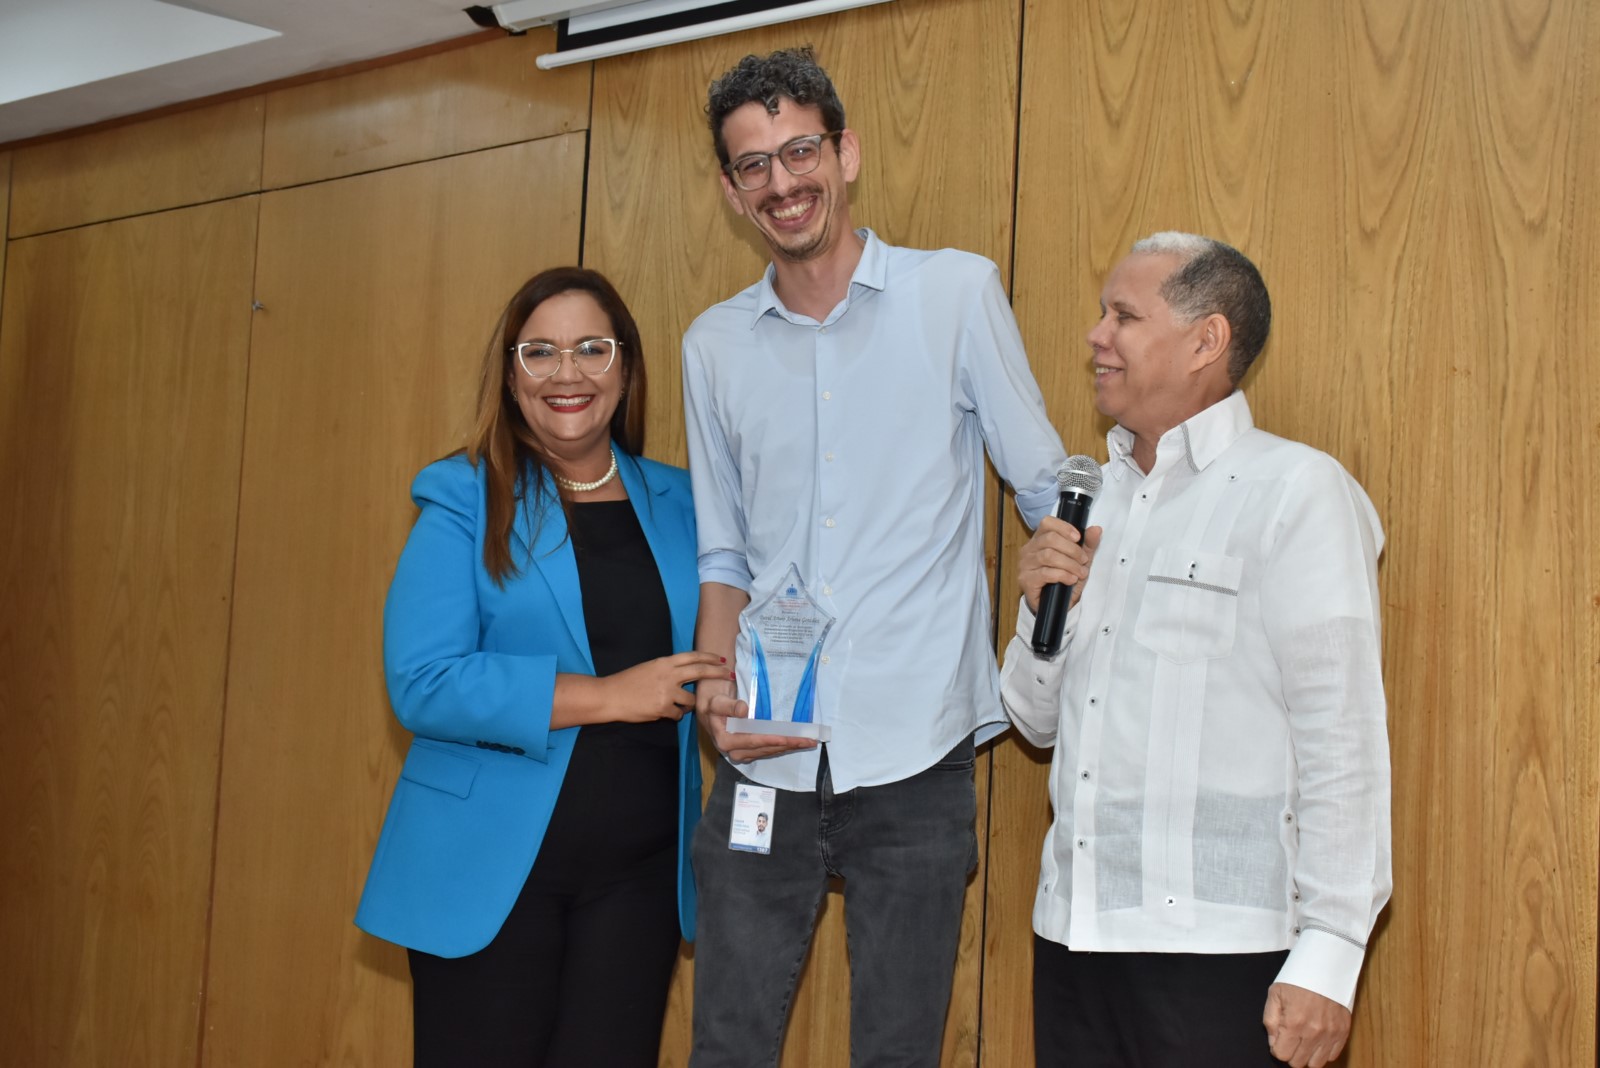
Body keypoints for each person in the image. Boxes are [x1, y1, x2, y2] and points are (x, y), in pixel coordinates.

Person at [681, 47, 1067, 1066]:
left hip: (914, 747)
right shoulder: (711, 346)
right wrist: (716, 700)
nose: (782, 181)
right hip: (763, 747)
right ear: (730, 190)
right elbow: (722, 548)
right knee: (725, 1042)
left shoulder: (954, 295)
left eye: (799, 149)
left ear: (845, 153)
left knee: (898, 1050)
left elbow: (1044, 493)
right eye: (752, 165)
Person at [1000, 233, 1391, 1068]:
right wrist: (1042, 611)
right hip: (1072, 940)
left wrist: (1331, 953)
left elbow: (1342, 737)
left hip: (1222, 957)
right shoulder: (1088, 497)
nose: (1095, 336)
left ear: (1206, 341)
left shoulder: (1296, 492)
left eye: (1124, 316)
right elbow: (1034, 725)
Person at [355, 266, 729, 1067]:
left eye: (592, 348)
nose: (568, 373)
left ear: (625, 367)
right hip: (488, 870)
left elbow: (729, 639)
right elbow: (424, 681)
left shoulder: (688, 501)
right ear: (511, 372)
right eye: (540, 352)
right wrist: (608, 695)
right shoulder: (464, 494)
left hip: (640, 879)